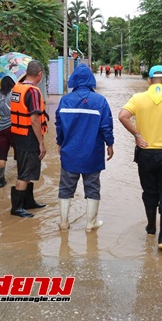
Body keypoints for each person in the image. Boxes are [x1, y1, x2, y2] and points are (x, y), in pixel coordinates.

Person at [118, 65, 162, 251]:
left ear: (148, 81)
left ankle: (151, 228)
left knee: (149, 192)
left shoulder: (137, 99)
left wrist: (137, 135)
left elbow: (123, 116)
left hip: (145, 154)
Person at [55, 64, 114, 232]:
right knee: (93, 187)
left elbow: (59, 125)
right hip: (92, 153)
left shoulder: (65, 100)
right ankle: (90, 224)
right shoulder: (100, 101)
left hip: (70, 153)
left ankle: (64, 223)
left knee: (66, 188)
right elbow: (106, 127)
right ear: (91, 80)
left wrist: (59, 143)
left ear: (74, 80)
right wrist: (110, 143)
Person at [9, 60, 48, 218]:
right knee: (25, 174)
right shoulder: (33, 92)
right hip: (29, 137)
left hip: (18, 136)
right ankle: (17, 208)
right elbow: (34, 120)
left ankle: (29, 202)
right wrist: (41, 143)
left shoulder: (17, 87)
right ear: (39, 74)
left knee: (27, 169)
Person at [0, 75, 16, 188]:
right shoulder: (14, 93)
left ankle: (1, 180)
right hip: (13, 126)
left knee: (0, 155)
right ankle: (21, 176)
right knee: (19, 151)